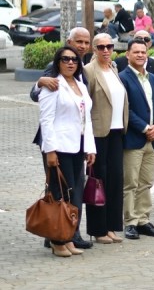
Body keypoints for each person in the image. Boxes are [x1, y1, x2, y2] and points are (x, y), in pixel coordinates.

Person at [30, 27, 94, 250]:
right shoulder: (55, 72)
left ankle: (67, 234)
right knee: (59, 191)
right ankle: (59, 236)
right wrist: (39, 82)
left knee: (74, 189)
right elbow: (38, 98)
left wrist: (90, 147)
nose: (82, 46)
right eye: (78, 42)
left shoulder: (81, 75)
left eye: (86, 42)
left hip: (77, 142)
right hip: (57, 143)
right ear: (69, 41)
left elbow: (86, 115)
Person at [83, 33, 129, 245]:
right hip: (99, 133)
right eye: (101, 47)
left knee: (115, 180)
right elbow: (86, 104)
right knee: (98, 181)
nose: (106, 50)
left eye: (109, 46)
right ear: (94, 49)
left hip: (117, 131)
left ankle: (111, 226)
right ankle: (97, 229)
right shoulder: (89, 70)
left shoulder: (113, 68)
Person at [119, 38, 154, 240]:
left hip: (153, 139)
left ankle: (143, 220)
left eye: (143, 52)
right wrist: (145, 128)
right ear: (127, 54)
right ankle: (130, 222)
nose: (140, 55)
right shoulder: (122, 78)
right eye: (136, 52)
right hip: (134, 138)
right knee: (130, 183)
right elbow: (125, 109)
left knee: (146, 182)